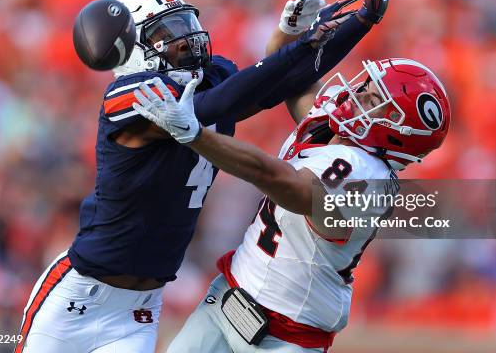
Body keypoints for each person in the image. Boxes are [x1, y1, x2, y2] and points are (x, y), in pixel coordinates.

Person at [15, 0, 395, 353]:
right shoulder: (127, 94)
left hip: (138, 311)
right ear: (133, 48)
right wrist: (298, 46)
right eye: (165, 34)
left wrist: (360, 21)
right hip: (77, 299)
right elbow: (210, 107)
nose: (183, 40)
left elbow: (282, 82)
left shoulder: (211, 79)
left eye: (182, 25)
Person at [134, 55, 450, 352]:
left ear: (398, 132)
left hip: (286, 335)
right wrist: (294, 32)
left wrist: (195, 136)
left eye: (373, 100)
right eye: (367, 86)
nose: (358, 94)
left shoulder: (367, 176)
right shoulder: (337, 129)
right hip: (227, 298)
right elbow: (292, 76)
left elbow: (281, 181)